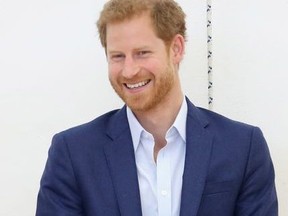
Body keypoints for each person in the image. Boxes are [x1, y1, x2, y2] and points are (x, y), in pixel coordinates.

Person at [36, 0, 278, 215]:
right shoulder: (72, 153)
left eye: (142, 53)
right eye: (117, 56)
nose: (129, 70)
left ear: (176, 49)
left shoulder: (243, 147)